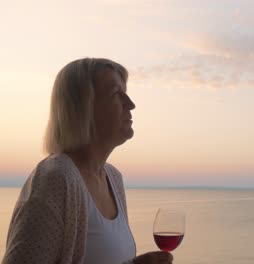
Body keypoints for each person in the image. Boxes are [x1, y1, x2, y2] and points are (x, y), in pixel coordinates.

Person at [2, 58, 173, 264]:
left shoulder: (113, 178)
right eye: (116, 94)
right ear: (83, 108)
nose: (131, 104)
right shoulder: (55, 179)